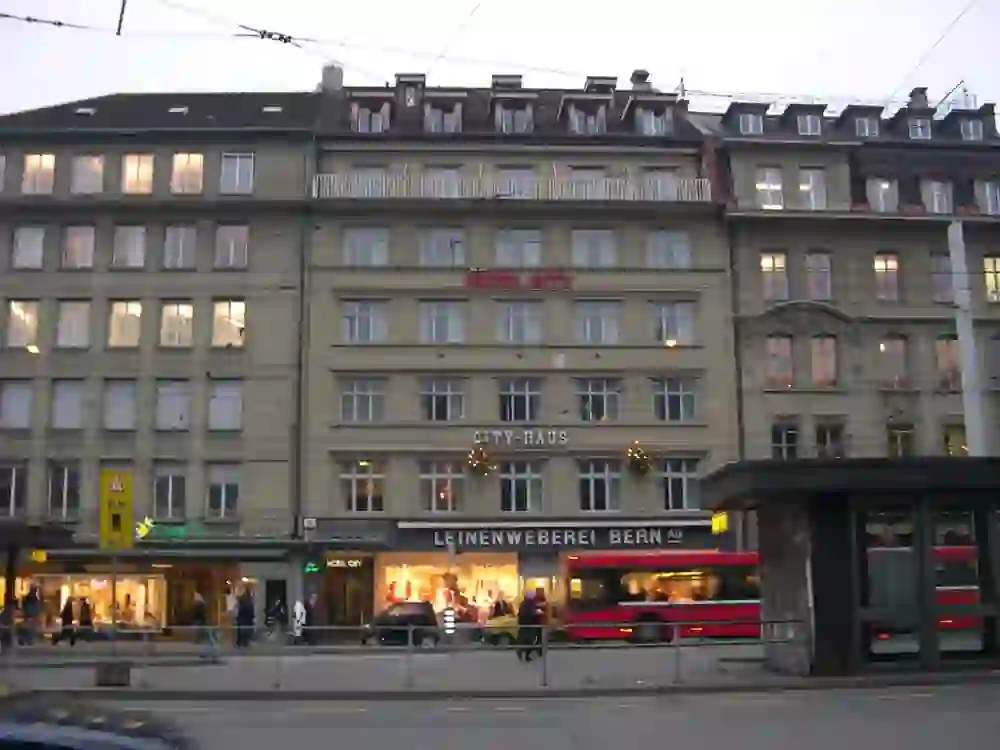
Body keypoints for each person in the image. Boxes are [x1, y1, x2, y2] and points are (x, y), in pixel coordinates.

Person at [516, 590, 543, 663]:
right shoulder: (529, 603)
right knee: (530, 640)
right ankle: (524, 654)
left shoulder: (523, 603)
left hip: (525, 624)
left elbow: (522, 613)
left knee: (526, 640)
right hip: (529, 624)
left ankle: (524, 654)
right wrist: (536, 612)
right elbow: (530, 612)